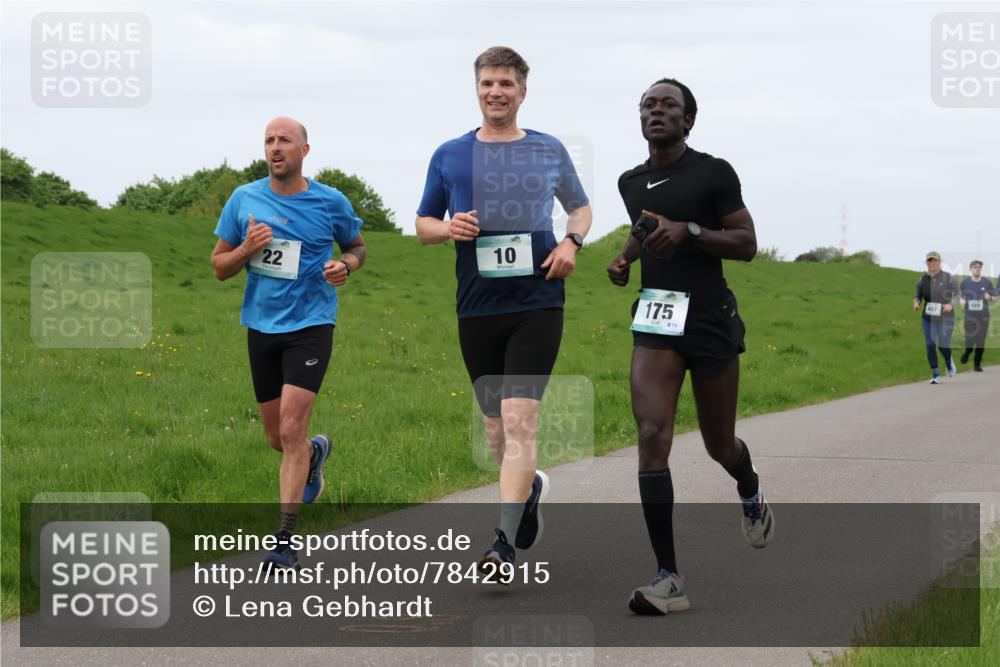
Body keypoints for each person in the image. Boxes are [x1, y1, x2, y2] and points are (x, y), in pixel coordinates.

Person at [415, 46, 592, 579]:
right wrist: (450, 228)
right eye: (488, 83)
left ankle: (502, 544)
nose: (496, 92)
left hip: (537, 300)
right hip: (477, 306)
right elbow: (423, 223)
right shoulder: (450, 154)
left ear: (522, 91)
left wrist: (571, 243)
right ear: (477, 89)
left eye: (506, 84)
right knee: (496, 430)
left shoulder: (547, 150)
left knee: (520, 419)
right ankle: (529, 486)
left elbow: (580, 206)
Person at [606, 78, 771, 615]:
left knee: (718, 444)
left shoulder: (714, 172)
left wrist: (691, 231)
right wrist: (627, 258)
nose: (656, 112)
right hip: (657, 317)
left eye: (668, 105)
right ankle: (668, 576)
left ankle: (747, 486)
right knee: (652, 434)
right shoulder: (630, 180)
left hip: (708, 319)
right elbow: (643, 224)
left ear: (688, 119)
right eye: (648, 105)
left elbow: (747, 244)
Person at [211, 117, 366, 568]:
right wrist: (246, 248)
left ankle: (284, 539)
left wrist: (347, 266)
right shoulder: (244, 199)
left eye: (285, 141)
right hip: (261, 327)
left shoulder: (329, 201)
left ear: (304, 150)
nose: (275, 147)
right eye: (269, 141)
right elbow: (220, 267)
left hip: (311, 325)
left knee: (293, 428)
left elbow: (357, 246)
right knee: (278, 438)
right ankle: (315, 453)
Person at [913, 251, 958, 383]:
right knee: (930, 345)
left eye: (935, 261)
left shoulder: (948, 277)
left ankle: (949, 363)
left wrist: (951, 304)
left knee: (943, 345)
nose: (932, 263)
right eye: (930, 261)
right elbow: (918, 296)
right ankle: (935, 375)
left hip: (946, 317)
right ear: (926, 263)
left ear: (939, 262)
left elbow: (958, 294)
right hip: (928, 318)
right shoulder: (921, 280)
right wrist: (916, 302)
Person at [959, 260, 994, 372]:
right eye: (975, 267)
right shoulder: (965, 283)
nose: (977, 269)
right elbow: (961, 298)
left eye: (979, 267)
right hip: (969, 316)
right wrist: (962, 302)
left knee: (980, 340)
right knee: (970, 339)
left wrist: (990, 298)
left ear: (981, 269)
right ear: (970, 269)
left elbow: (994, 299)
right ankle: (968, 352)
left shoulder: (987, 283)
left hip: (983, 316)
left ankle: (977, 365)